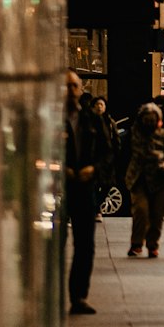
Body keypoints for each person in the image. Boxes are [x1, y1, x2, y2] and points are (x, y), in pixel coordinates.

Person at [64, 70, 101, 314]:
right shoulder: (48, 117)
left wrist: (94, 169)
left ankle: (79, 296)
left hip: (84, 189)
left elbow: (107, 152)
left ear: (80, 89)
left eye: (73, 86)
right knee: (52, 244)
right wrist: (58, 169)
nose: (70, 90)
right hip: (58, 189)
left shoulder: (90, 119)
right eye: (65, 86)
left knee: (85, 244)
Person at [125, 103, 164, 258]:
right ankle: (137, 243)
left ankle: (152, 244)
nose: (149, 123)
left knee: (157, 214)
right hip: (138, 177)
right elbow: (126, 154)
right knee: (141, 210)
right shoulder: (133, 134)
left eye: (153, 120)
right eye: (147, 120)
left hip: (159, 179)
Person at [91, 94, 119, 218]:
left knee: (108, 185)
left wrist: (115, 153)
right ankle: (95, 210)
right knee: (94, 185)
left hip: (108, 159)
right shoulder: (89, 121)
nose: (99, 107)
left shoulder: (110, 122)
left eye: (101, 104)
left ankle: (96, 208)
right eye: (97, 104)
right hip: (94, 158)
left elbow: (116, 139)